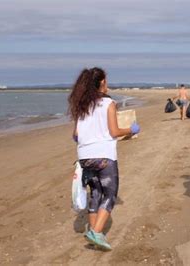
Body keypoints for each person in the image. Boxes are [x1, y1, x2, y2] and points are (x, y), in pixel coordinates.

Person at [69, 67, 140, 250]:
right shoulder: (109, 103)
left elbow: (76, 135)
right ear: (101, 83)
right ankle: (96, 232)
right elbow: (114, 132)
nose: (107, 84)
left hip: (84, 157)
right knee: (109, 194)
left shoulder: (82, 105)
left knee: (95, 194)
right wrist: (131, 130)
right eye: (106, 81)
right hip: (104, 156)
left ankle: (94, 233)